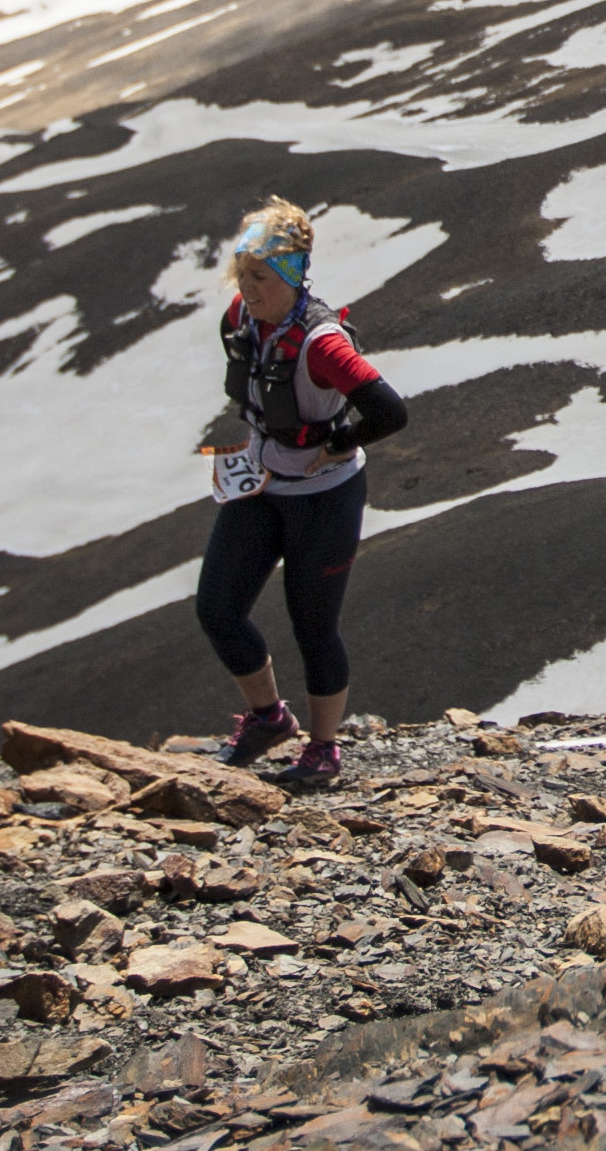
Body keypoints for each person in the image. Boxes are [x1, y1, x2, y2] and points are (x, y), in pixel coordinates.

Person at [196, 197, 407, 789]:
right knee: (217, 608)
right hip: (262, 481)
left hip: (324, 496)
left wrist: (342, 440)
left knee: (313, 626)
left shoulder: (323, 343)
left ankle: (323, 749)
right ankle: (268, 718)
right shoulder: (241, 318)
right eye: (242, 275)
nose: (247, 287)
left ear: (290, 276)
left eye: (259, 276)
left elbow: (389, 411)